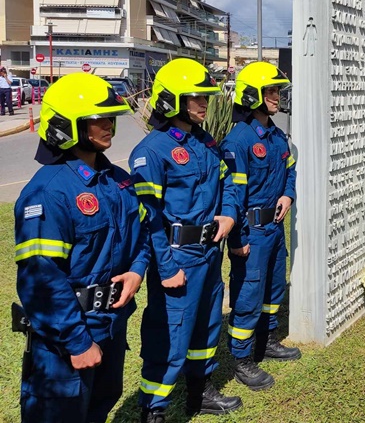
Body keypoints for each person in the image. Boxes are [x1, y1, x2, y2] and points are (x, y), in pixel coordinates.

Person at [13, 73, 150, 422]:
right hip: (66, 339)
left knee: (100, 406)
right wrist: (76, 341)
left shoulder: (119, 182)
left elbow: (142, 234)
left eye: (110, 118)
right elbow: (42, 278)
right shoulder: (48, 193)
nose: (108, 126)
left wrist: (136, 271)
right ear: (66, 126)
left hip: (110, 325)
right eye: (97, 119)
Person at [132, 58, 242, 421]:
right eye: (196, 96)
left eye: (206, 96)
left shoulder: (206, 142)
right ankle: (155, 407)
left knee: (208, 323)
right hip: (177, 256)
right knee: (170, 333)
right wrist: (165, 268)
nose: (204, 103)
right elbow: (149, 220)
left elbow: (228, 181)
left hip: (210, 253)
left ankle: (200, 391)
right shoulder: (152, 150)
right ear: (172, 100)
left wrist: (228, 213)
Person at [221, 61, 299, 394]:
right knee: (248, 295)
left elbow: (291, 171)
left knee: (272, 291)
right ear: (252, 95)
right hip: (250, 234)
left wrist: (287, 194)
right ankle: (242, 359)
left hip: (274, 231)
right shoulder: (238, 140)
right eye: (270, 92)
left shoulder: (278, 136)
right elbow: (232, 195)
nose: (275, 97)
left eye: (277, 91)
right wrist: (237, 239)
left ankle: (265, 342)